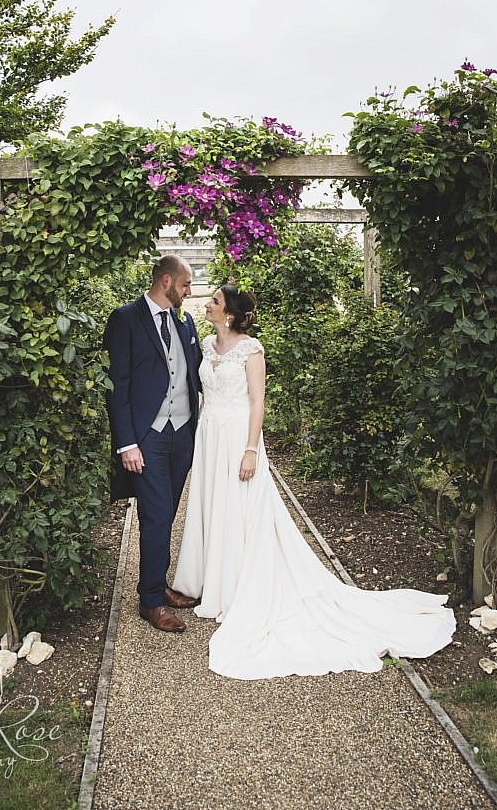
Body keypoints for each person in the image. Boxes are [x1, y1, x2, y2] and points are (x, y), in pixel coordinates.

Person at [172, 284, 457, 680]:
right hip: (210, 433)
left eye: (215, 301)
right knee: (211, 503)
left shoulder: (251, 350)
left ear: (231, 314)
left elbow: (258, 401)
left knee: (240, 507)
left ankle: (236, 586)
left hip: (238, 435)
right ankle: (207, 579)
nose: (208, 304)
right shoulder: (205, 343)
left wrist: (251, 450)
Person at [103, 255, 202, 634]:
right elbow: (118, 387)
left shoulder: (185, 321)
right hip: (147, 437)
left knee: (167, 513)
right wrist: (126, 442)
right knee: (157, 515)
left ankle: (157, 582)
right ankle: (151, 600)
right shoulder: (125, 319)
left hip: (182, 435)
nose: (189, 292)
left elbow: (192, 374)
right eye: (185, 285)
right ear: (166, 281)